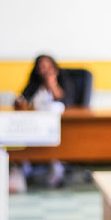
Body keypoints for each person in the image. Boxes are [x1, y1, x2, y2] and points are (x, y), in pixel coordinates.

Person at [14, 55, 76, 188]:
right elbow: (23, 99)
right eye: (41, 67)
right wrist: (20, 101)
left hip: (59, 125)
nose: (44, 69)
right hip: (35, 124)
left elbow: (68, 102)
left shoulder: (63, 78)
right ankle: (22, 167)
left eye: (47, 66)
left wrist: (52, 84)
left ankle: (56, 166)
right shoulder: (35, 82)